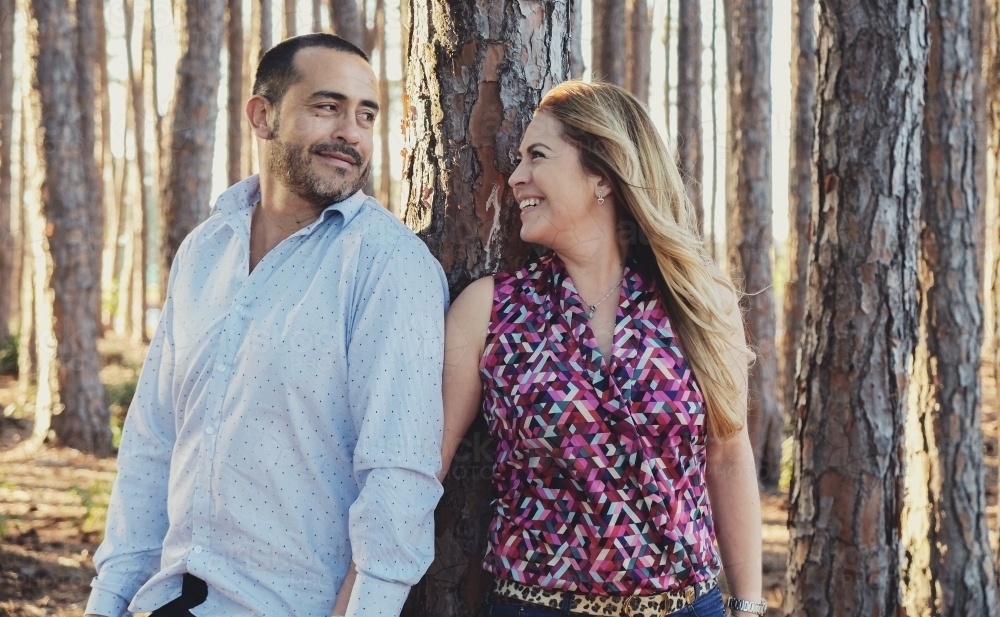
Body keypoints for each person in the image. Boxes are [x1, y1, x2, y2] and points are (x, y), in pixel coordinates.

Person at [85, 34, 448, 617]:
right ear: (263, 115)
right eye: (327, 107)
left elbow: (397, 480)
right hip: (168, 600)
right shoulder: (205, 250)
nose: (351, 133)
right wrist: (109, 601)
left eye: (366, 115)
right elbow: (152, 446)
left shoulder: (388, 265)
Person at [440, 81, 765, 617]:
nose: (515, 177)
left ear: (602, 176)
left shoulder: (699, 302)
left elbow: (727, 455)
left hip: (688, 606)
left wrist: (750, 608)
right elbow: (425, 463)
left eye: (536, 156)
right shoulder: (490, 309)